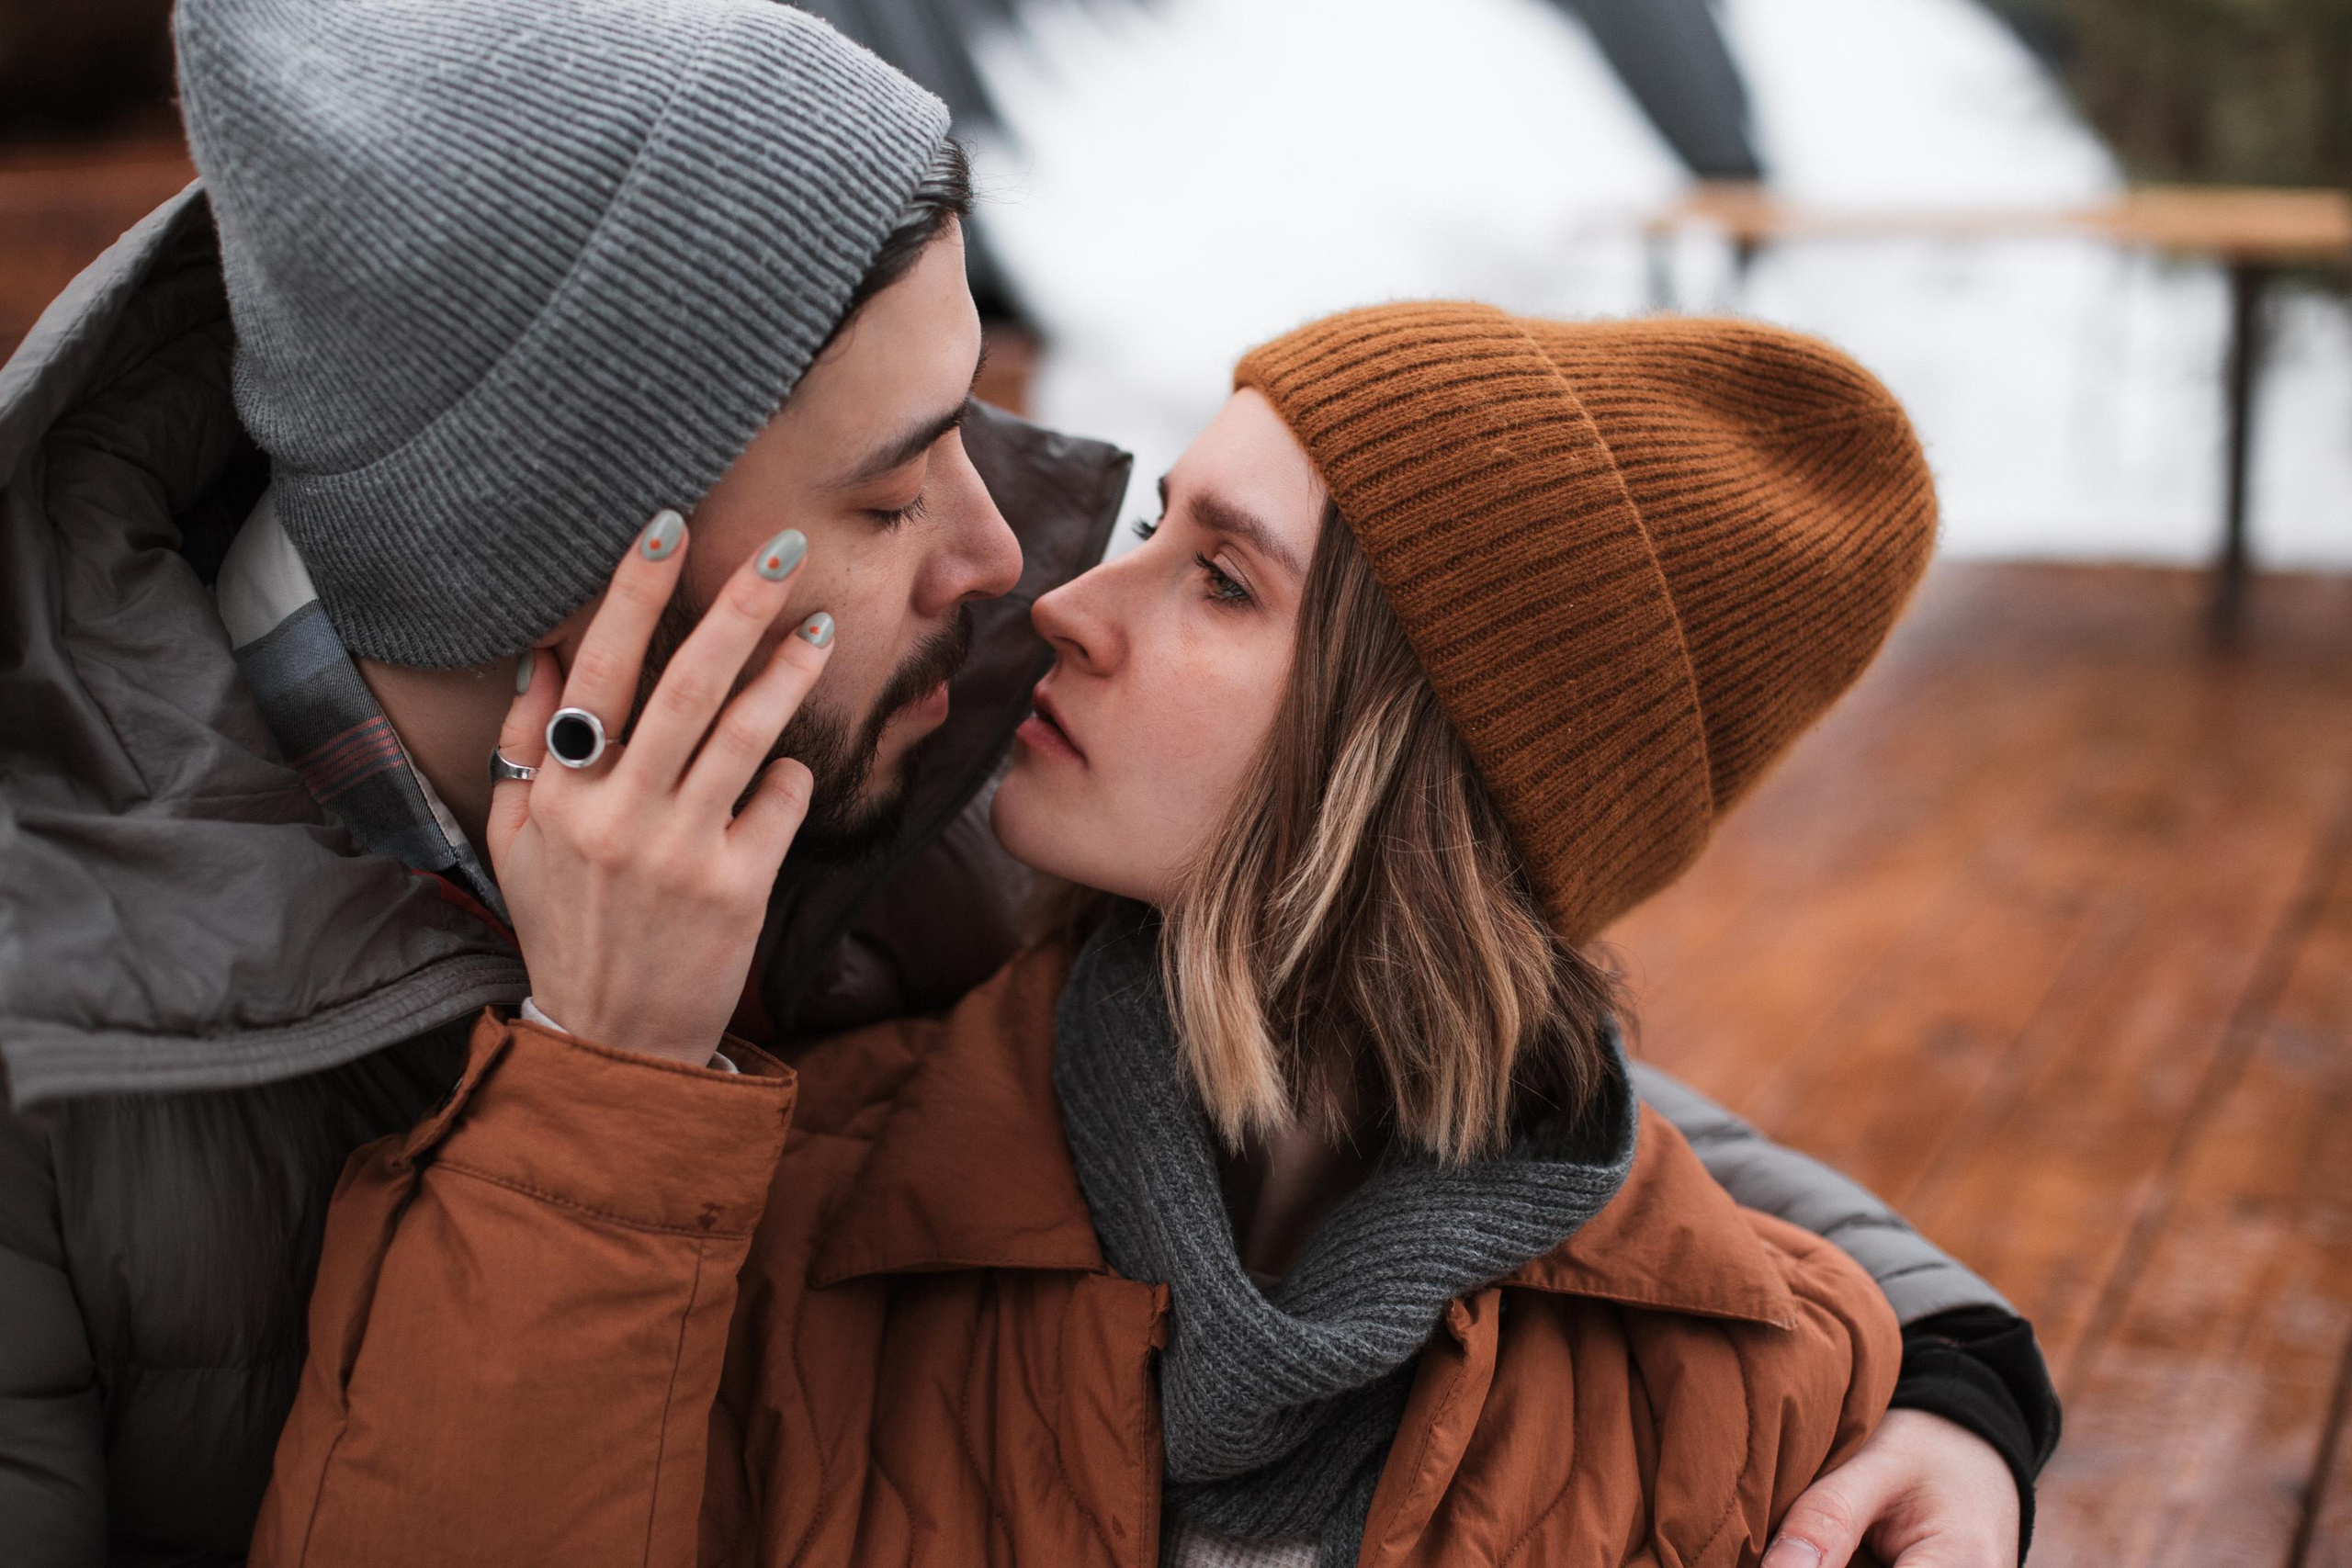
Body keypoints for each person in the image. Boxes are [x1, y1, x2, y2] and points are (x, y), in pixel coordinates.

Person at [0, 2, 2048, 1563]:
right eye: (896, 491)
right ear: (573, 545)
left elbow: (1397, 1024)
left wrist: (1943, 1368)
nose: (1015, 575)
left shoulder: (907, 723)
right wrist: (603, 1074)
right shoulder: (43, 1069)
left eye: (983, 429)